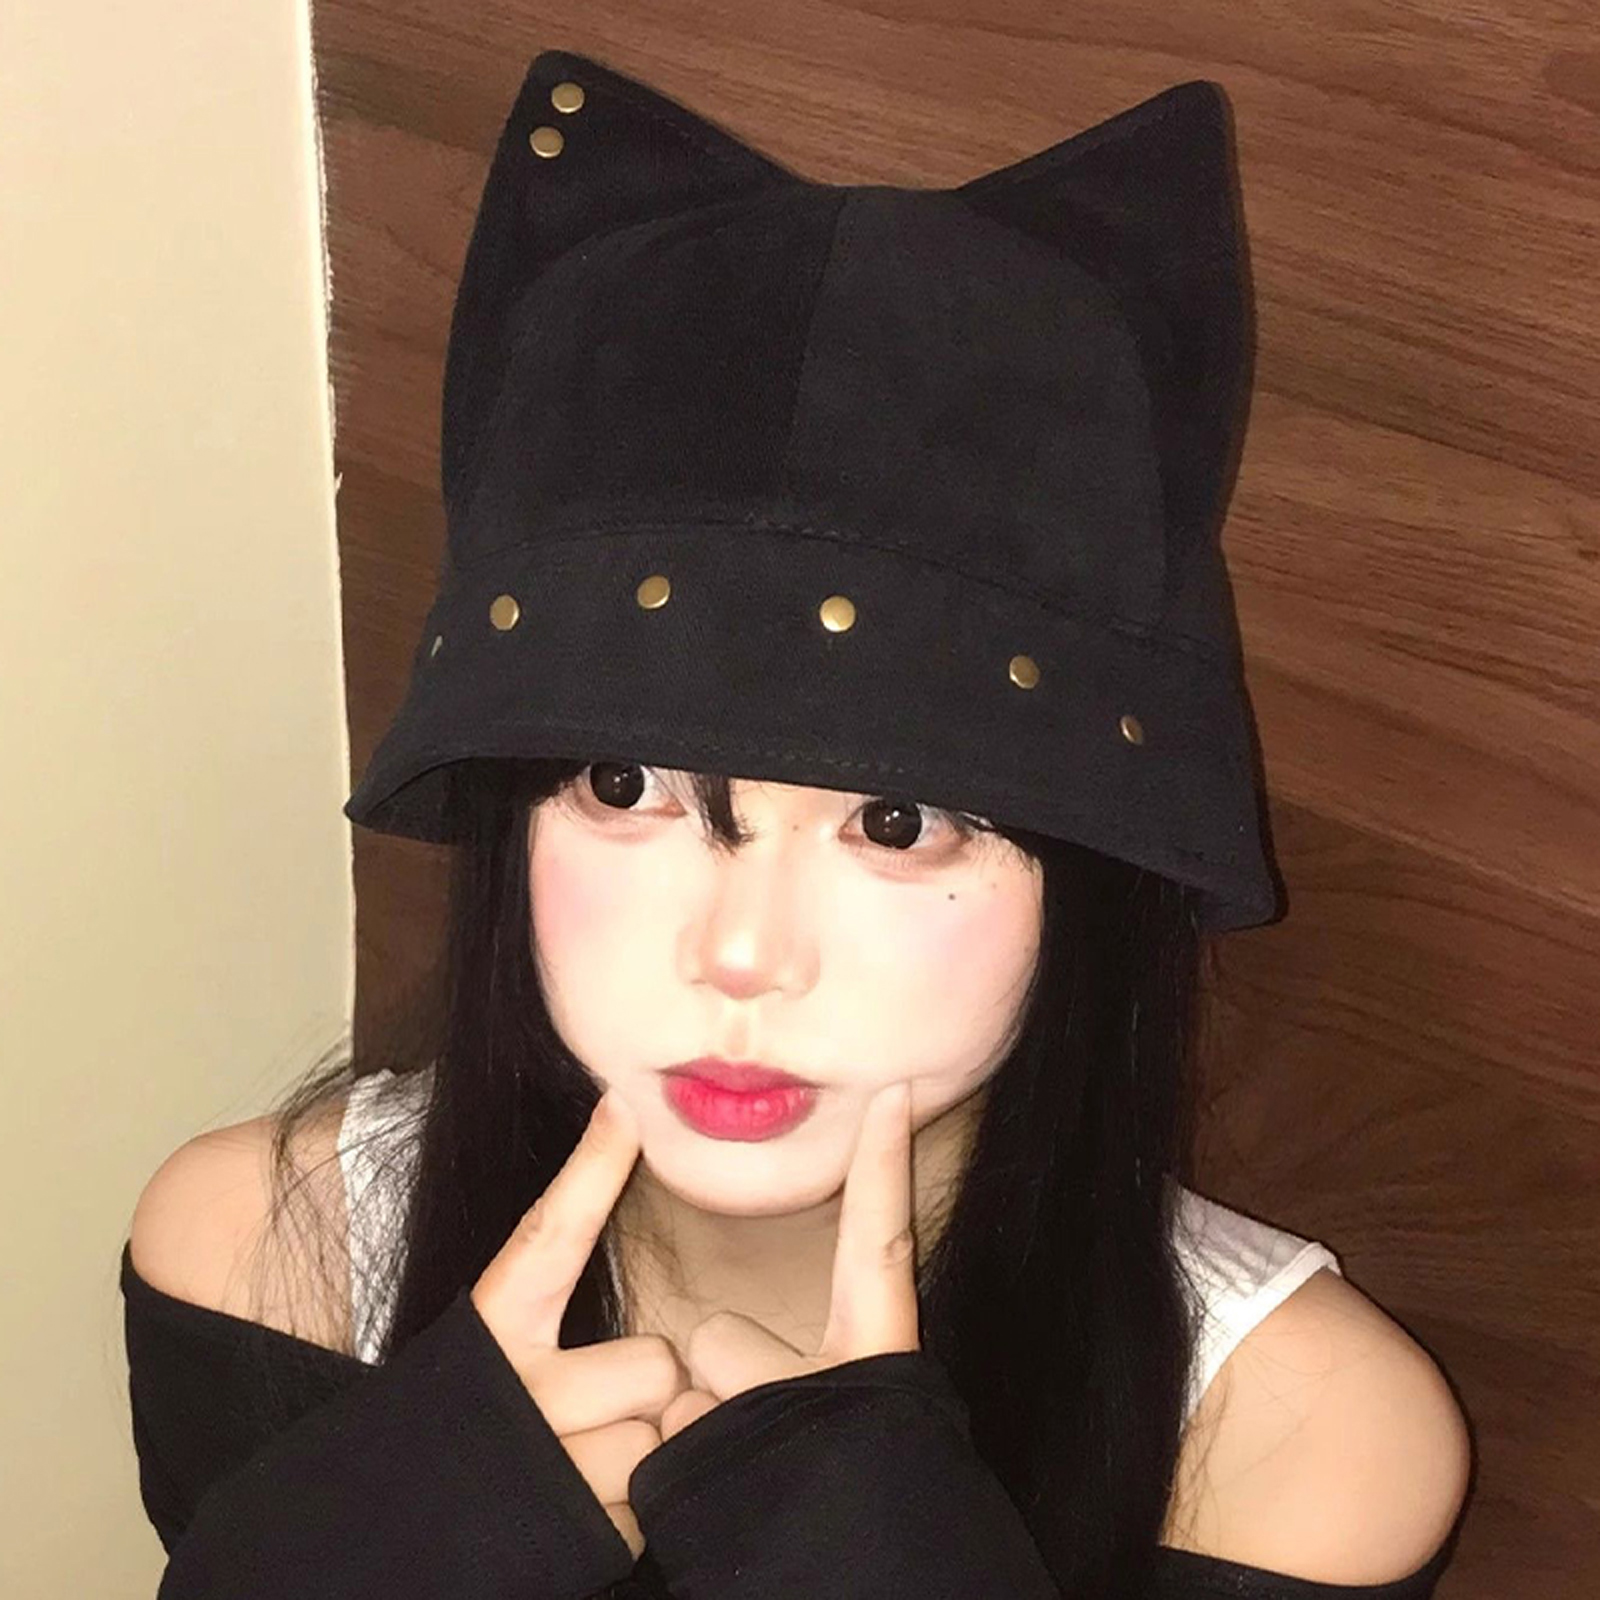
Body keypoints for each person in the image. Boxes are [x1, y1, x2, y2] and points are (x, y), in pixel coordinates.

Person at [120, 46, 1472, 1600]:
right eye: (624, 790)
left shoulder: (1294, 1445)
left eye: (897, 821)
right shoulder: (262, 1254)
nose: (745, 955)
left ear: (1096, 869)